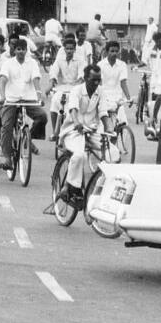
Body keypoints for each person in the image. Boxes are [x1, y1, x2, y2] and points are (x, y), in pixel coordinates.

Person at [0, 38, 46, 168]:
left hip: (28, 99)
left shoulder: (33, 63)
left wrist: (39, 95)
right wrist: (2, 97)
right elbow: (2, 80)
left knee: (42, 116)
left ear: (26, 50)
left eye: (23, 49)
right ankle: (7, 157)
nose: (20, 52)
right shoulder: (8, 63)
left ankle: (28, 140)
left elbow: (36, 79)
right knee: (7, 126)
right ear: (14, 50)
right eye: (18, 49)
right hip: (11, 100)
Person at [59, 64, 103, 203]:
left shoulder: (100, 91)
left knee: (112, 155)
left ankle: (100, 189)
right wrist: (77, 122)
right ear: (85, 78)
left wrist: (109, 128)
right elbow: (72, 108)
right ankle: (68, 187)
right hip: (73, 130)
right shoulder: (76, 90)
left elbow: (103, 112)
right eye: (93, 80)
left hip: (91, 131)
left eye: (98, 80)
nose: (96, 83)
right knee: (79, 156)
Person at [47, 36, 84, 140]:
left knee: (72, 107)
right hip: (62, 88)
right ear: (64, 49)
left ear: (74, 49)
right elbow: (53, 72)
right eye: (67, 49)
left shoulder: (80, 60)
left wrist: (77, 84)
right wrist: (52, 82)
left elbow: (81, 76)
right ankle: (55, 132)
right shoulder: (59, 60)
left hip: (75, 88)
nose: (69, 51)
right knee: (54, 102)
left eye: (71, 49)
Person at [96, 40, 131, 137]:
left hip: (117, 98)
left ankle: (117, 145)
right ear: (106, 52)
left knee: (121, 122)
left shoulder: (122, 65)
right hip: (104, 97)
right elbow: (100, 84)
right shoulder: (100, 65)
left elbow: (123, 82)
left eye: (116, 51)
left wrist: (128, 98)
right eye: (112, 51)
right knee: (104, 125)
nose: (114, 53)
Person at [142, 31, 161, 129]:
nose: (158, 43)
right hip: (154, 78)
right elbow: (147, 62)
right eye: (156, 41)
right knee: (153, 99)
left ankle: (160, 119)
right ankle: (152, 119)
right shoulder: (151, 50)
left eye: (159, 41)